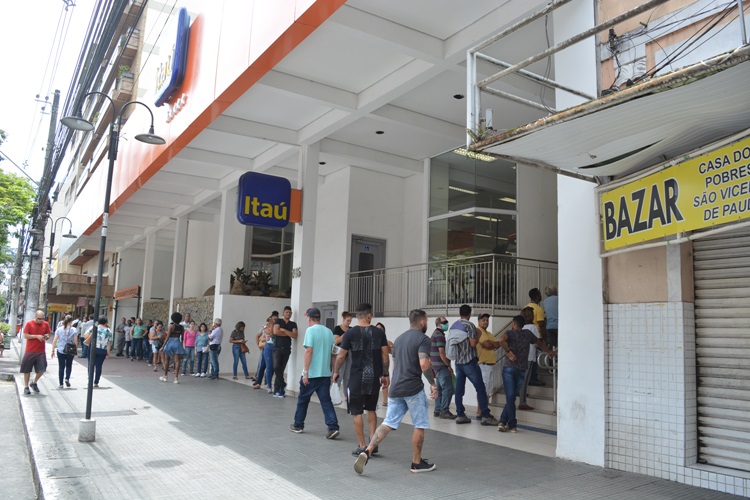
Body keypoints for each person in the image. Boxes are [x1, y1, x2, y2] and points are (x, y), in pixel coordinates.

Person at [353, 309, 438, 475]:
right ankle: (416, 462)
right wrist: (433, 384)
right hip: (413, 388)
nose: (426, 323)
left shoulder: (399, 339)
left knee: (388, 422)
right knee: (419, 424)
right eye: (426, 321)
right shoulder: (423, 339)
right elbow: (424, 364)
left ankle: (367, 450)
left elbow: (395, 364)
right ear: (422, 322)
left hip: (396, 388)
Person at [333, 303, 389, 456]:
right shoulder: (378, 333)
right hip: (373, 378)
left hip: (357, 377)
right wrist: (385, 374)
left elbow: (341, 355)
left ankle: (362, 446)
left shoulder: (350, 334)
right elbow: (385, 355)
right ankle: (373, 443)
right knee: (371, 409)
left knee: (356, 412)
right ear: (369, 315)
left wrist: (336, 371)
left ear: (357, 316)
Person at [496, 315, 556, 433]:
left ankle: (511, 425)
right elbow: (539, 343)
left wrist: (508, 352)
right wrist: (548, 351)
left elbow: (500, 340)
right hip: (522, 370)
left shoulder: (510, 333)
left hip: (509, 368)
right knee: (511, 397)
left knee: (510, 397)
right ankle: (503, 422)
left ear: (514, 324)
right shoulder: (528, 334)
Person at [289, 307, 340, 439]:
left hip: (312, 374)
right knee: (326, 401)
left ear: (309, 318)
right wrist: (335, 371)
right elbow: (334, 353)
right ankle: (333, 427)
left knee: (303, 400)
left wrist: (305, 372)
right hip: (325, 374)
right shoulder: (329, 331)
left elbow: (309, 351)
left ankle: (298, 425)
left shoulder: (310, 331)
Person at [447, 304, 498, 426]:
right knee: (480, 388)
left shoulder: (454, 326)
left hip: (458, 363)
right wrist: (478, 334)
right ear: (469, 314)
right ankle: (485, 416)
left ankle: (460, 415)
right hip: (469, 362)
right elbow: (473, 343)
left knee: (459, 390)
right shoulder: (469, 325)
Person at [475, 312, 501, 419]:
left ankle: (481, 410)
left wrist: (492, 343)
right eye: (483, 320)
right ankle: (481, 411)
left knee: (486, 390)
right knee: (483, 389)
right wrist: (492, 343)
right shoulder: (478, 332)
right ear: (479, 321)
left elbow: (498, 344)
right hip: (483, 365)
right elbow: (488, 345)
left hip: (489, 365)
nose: (486, 322)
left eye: (487, 320)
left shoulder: (489, 333)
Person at [21, 310, 51, 395]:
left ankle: (34, 382)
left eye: (42, 318)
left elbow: (48, 334)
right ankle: (26, 387)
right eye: (39, 319)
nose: (41, 320)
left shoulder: (46, 324)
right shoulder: (29, 324)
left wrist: (46, 336)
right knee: (27, 369)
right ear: (35, 317)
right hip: (30, 350)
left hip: (41, 351)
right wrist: (36, 336)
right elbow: (25, 335)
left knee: (42, 369)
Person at [430, 316, 455, 419]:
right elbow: (441, 352)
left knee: (440, 389)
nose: (447, 324)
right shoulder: (439, 335)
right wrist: (448, 365)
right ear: (439, 324)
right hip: (441, 366)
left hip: (436, 366)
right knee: (448, 389)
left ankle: (437, 410)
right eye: (445, 322)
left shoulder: (434, 334)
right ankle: (444, 411)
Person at [272, 307, 298, 397]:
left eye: (290, 312)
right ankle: (282, 384)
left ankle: (278, 390)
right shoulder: (278, 321)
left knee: (281, 369)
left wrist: (284, 330)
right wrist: (288, 334)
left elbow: (294, 335)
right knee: (276, 367)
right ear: (283, 313)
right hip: (277, 348)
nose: (288, 314)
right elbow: (275, 332)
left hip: (287, 349)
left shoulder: (293, 324)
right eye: (287, 312)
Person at [518, 307, 540, 411]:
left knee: (520, 378)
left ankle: (521, 396)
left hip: (520, 355)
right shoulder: (533, 327)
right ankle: (522, 402)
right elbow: (537, 342)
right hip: (529, 355)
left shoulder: (520, 327)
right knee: (525, 379)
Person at [526, 288, 548, 386]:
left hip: (526, 335)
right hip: (536, 335)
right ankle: (533, 378)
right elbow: (541, 325)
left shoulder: (525, 307)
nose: (541, 296)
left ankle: (530, 377)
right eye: (539, 294)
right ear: (537, 296)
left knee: (530, 357)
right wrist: (545, 338)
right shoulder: (539, 309)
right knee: (534, 357)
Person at [84, 317, 113, 388]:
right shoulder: (109, 330)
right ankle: (96, 382)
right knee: (99, 366)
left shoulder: (94, 327)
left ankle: (90, 380)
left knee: (91, 364)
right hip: (103, 350)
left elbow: (85, 336)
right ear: (106, 322)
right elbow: (109, 342)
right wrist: (108, 352)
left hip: (93, 348)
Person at [51, 315, 78, 388]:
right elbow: (75, 341)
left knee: (61, 367)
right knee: (69, 365)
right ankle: (67, 378)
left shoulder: (59, 330)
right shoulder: (74, 330)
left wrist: (52, 350)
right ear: (71, 321)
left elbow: (54, 340)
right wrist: (76, 349)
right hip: (70, 350)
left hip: (60, 350)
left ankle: (61, 383)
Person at [160, 312, 186, 383]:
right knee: (177, 361)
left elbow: (167, 337)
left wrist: (163, 346)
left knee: (167, 359)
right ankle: (176, 378)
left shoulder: (171, 327)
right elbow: (182, 338)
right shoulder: (182, 327)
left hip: (170, 342)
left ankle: (165, 376)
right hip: (177, 342)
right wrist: (181, 344)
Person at [333, 311, 352, 399]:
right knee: (339, 374)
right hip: (340, 353)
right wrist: (345, 335)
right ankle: (335, 394)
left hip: (349, 354)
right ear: (343, 319)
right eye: (348, 320)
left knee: (347, 376)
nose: (349, 323)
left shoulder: (351, 329)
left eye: (350, 321)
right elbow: (336, 341)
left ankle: (347, 395)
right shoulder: (337, 328)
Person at [253, 316, 274, 389]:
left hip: (272, 348)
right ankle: (258, 381)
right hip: (265, 348)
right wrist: (258, 344)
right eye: (273, 319)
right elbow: (260, 337)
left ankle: (267, 382)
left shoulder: (276, 327)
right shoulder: (265, 327)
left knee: (270, 367)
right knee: (262, 365)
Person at [375, 322, 391, 405]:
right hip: (374, 364)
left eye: (380, 329)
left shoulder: (386, 341)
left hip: (383, 365)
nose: (378, 330)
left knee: (385, 382)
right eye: (377, 328)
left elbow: (392, 351)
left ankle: (385, 401)